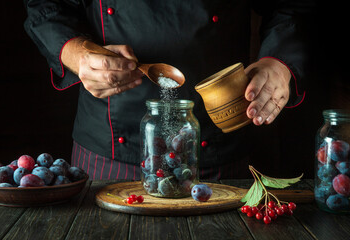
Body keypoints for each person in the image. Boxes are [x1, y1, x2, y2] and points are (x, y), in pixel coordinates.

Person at [23, 0, 312, 180]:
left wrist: (278, 63)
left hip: (217, 153)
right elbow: (46, 5)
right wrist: (79, 55)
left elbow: (292, 5)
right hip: (108, 154)